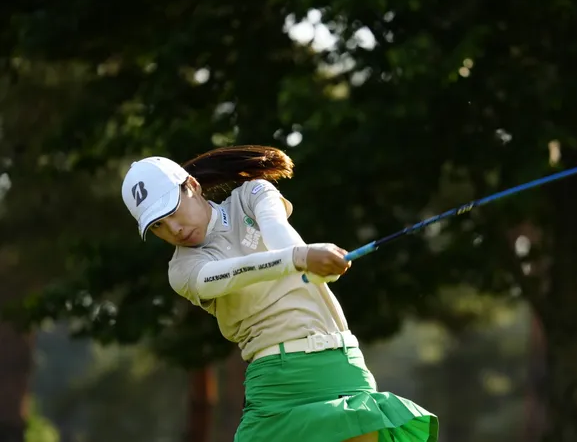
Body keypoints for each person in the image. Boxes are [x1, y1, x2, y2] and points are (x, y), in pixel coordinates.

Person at [120, 145, 439, 442]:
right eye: (158, 226)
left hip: (342, 368)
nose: (174, 229)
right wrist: (300, 258)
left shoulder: (252, 193)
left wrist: (307, 258)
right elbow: (231, 273)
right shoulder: (182, 269)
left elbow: (278, 233)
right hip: (277, 385)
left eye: (173, 211)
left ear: (192, 185)